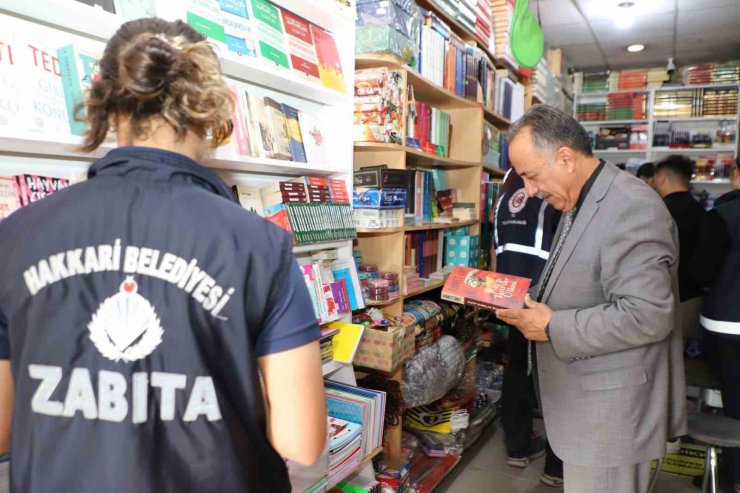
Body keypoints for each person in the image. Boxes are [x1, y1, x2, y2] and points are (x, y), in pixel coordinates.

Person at [0, 18, 327, 492]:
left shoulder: (15, 236)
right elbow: (302, 441)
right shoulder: (258, 244)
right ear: (211, 107)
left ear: (107, 104)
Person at [496, 105, 686, 493]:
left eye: (531, 176)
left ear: (565, 158)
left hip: (612, 418)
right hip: (588, 409)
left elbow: (647, 315)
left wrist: (550, 325)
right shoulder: (579, 198)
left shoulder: (630, 206)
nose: (529, 191)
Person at [494, 169, 563, 487]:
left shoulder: (503, 200)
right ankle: (555, 465)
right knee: (555, 383)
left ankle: (517, 448)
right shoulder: (552, 196)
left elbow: (497, 252)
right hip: (548, 300)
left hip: (511, 296)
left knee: (517, 371)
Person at [691, 157, 740, 492]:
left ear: (736, 174)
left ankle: (730, 476)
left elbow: (701, 273)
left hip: (727, 325)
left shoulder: (724, 214)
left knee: (733, 406)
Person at [654, 155, 705, 341]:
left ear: (661, 178)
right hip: (694, 297)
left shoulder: (659, 210)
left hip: (666, 295)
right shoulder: (701, 209)